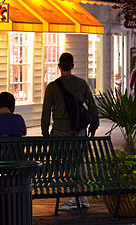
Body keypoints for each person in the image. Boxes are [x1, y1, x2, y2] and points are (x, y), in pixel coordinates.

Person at [41, 52, 100, 211]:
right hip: (79, 132)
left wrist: (45, 133)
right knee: (78, 164)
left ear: (59, 66)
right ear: (73, 66)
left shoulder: (53, 87)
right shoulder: (81, 84)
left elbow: (46, 112)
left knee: (64, 165)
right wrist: (93, 126)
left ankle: (74, 197)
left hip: (60, 133)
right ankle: (80, 197)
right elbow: (93, 108)